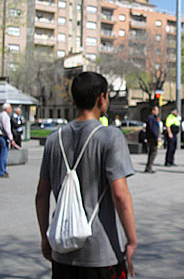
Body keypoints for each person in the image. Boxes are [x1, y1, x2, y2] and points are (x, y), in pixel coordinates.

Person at [34, 71, 137, 278]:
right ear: (102, 98)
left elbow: (41, 195)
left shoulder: (54, 140)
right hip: (101, 252)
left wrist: (45, 237)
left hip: (62, 251)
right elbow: (120, 195)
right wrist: (132, 239)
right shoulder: (111, 137)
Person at [0, 103, 18, 178]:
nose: (11, 110)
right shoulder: (5, 117)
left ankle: (1, 170)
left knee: (1, 153)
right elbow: (7, 129)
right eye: (10, 108)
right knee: (3, 154)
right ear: (7, 109)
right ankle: (2, 172)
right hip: (3, 137)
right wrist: (11, 139)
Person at [144, 106, 160, 174]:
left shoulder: (153, 118)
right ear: (153, 111)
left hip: (152, 137)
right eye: (156, 111)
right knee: (153, 152)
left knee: (152, 152)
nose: (157, 112)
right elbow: (152, 128)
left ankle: (148, 167)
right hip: (152, 138)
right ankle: (149, 167)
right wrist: (157, 136)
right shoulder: (151, 118)